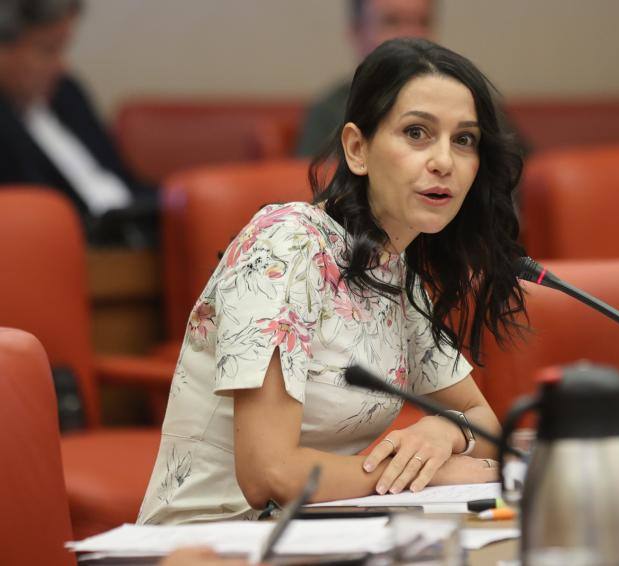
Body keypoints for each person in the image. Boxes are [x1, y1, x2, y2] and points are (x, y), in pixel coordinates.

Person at [138, 37, 526, 525]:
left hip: (320, 532)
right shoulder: (286, 246)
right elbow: (269, 475)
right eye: (417, 133)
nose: (444, 161)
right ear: (357, 149)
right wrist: (429, 476)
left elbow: (485, 423)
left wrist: (445, 432)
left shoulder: (394, 270)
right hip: (208, 541)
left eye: (463, 140)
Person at [0, 0, 157, 247]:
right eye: (47, 50)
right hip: (77, 245)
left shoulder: (66, 92)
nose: (61, 65)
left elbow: (118, 177)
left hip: (136, 225)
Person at [295, 0, 435, 157]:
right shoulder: (329, 112)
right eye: (391, 21)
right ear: (357, 32)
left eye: (423, 21)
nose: (412, 35)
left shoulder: (450, 103)